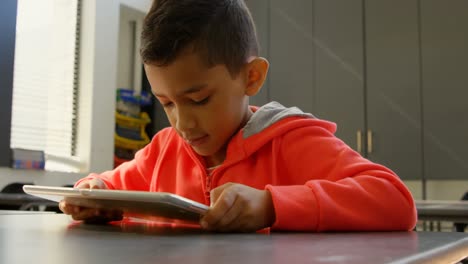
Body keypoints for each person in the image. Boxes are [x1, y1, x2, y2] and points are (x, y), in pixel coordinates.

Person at [60, 0, 417, 232]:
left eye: (199, 99)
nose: (182, 124)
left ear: (252, 77)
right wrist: (94, 194)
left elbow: (396, 201)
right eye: (166, 103)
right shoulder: (163, 150)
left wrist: (272, 205)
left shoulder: (291, 140)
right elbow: (109, 183)